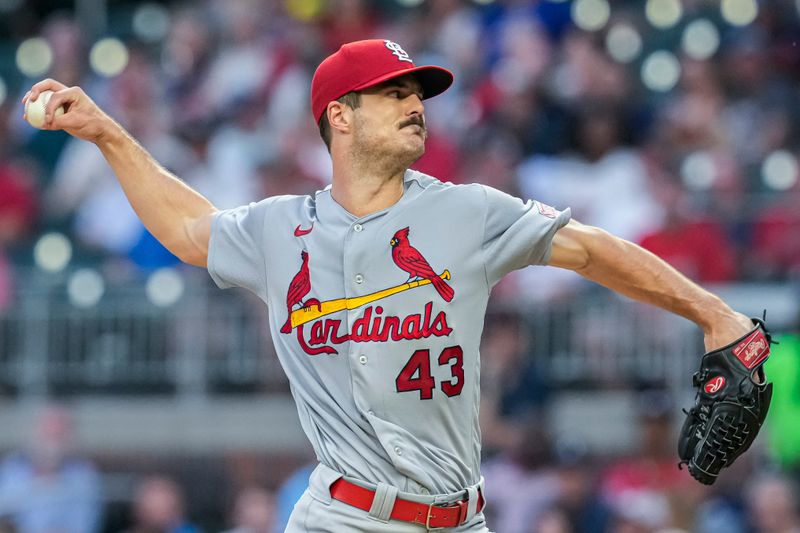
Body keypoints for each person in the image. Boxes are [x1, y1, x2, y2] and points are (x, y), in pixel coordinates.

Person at [24, 38, 756, 532]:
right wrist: (108, 135)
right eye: (393, 92)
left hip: (460, 515)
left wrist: (712, 311)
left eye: (418, 91)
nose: (416, 103)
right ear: (339, 117)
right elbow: (188, 230)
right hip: (343, 516)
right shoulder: (282, 229)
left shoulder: (467, 210)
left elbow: (591, 250)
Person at [0, 405, 102, 533]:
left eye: (59, 433)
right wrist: (43, 485)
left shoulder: (84, 476)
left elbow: (84, 526)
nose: (53, 440)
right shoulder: (12, 468)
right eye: (47, 430)